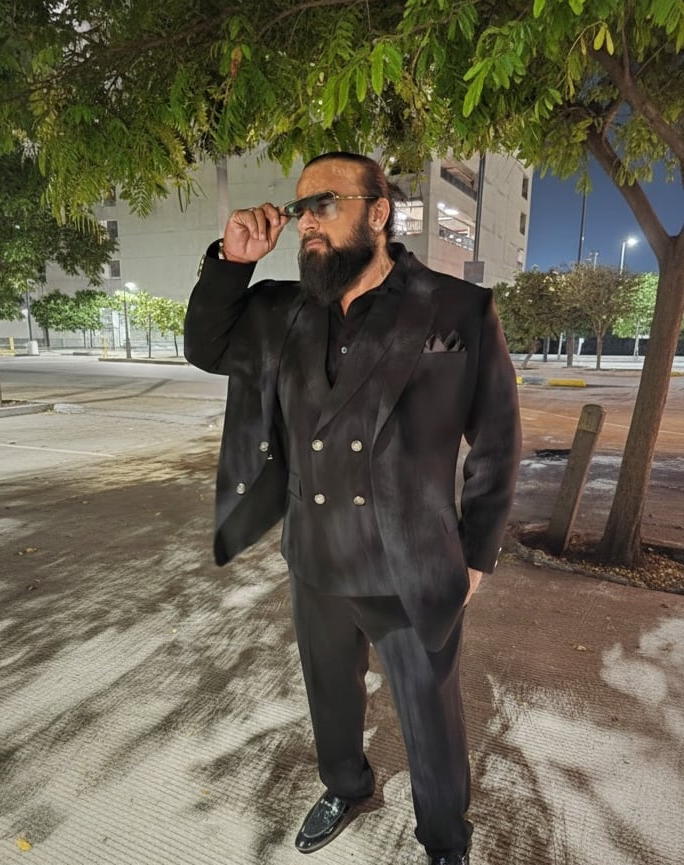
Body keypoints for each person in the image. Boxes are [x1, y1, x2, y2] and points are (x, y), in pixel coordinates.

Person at [184, 151, 521, 865]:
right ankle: (345, 784)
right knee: (329, 695)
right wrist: (232, 262)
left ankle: (444, 840)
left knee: (429, 714)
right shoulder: (281, 310)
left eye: (325, 204)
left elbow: (496, 441)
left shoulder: (457, 308)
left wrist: (475, 557)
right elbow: (206, 347)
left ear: (378, 212)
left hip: (409, 562)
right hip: (314, 555)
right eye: (300, 208)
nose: (307, 221)